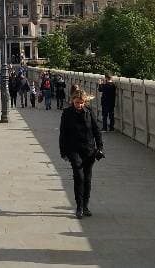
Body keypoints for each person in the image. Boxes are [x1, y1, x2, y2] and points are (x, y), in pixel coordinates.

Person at [58, 86, 104, 218]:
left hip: (89, 149)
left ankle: (85, 206)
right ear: (72, 100)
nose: (79, 105)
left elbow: (96, 131)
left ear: (85, 102)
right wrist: (63, 151)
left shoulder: (89, 112)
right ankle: (79, 207)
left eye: (81, 102)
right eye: (77, 102)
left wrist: (100, 147)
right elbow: (63, 134)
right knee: (79, 176)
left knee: (87, 178)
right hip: (74, 149)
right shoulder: (66, 113)